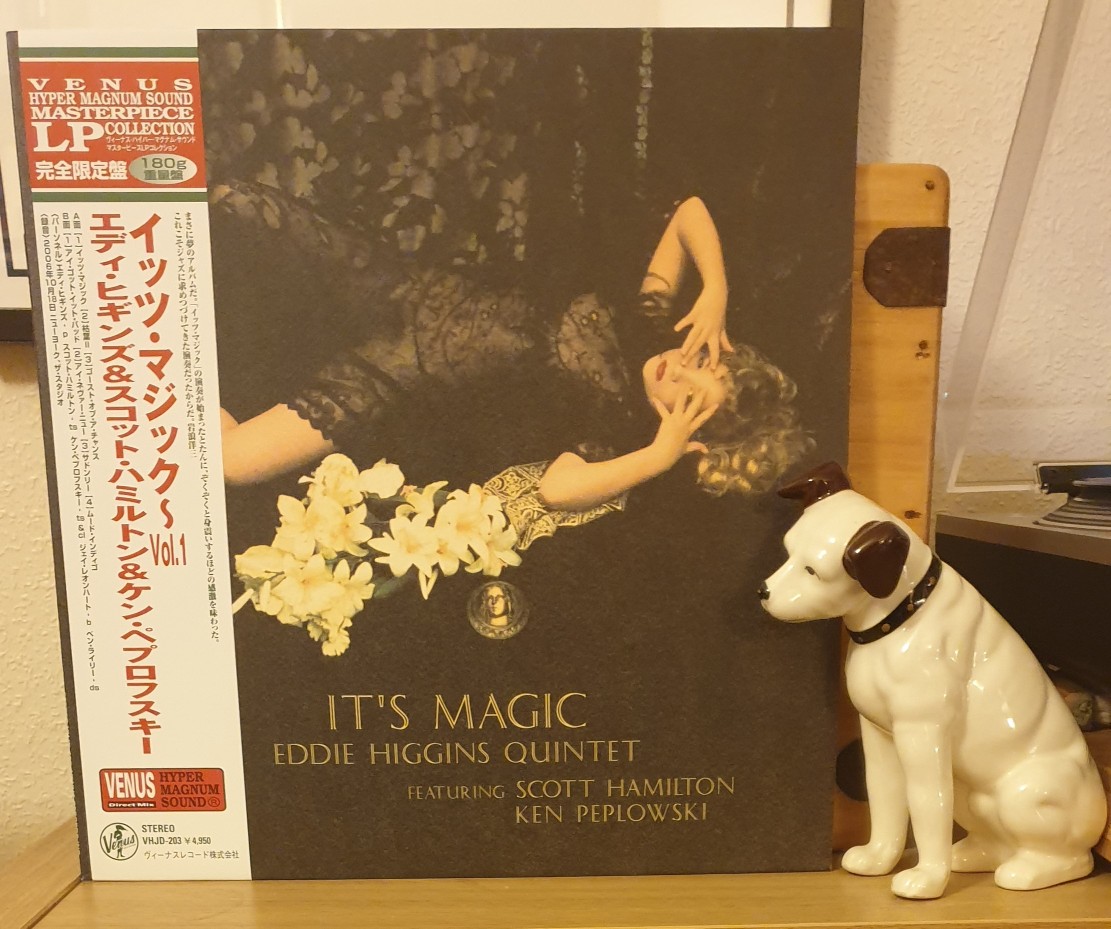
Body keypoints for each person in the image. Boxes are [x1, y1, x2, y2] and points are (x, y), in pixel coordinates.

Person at [216, 187, 812, 516]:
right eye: (701, 362)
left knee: (235, 463)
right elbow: (689, 211)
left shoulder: (617, 426)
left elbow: (557, 491)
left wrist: (659, 456)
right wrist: (716, 289)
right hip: (397, 287)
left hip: (388, 373)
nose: (679, 367)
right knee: (240, 202)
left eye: (689, 395)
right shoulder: (649, 316)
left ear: (688, 430)